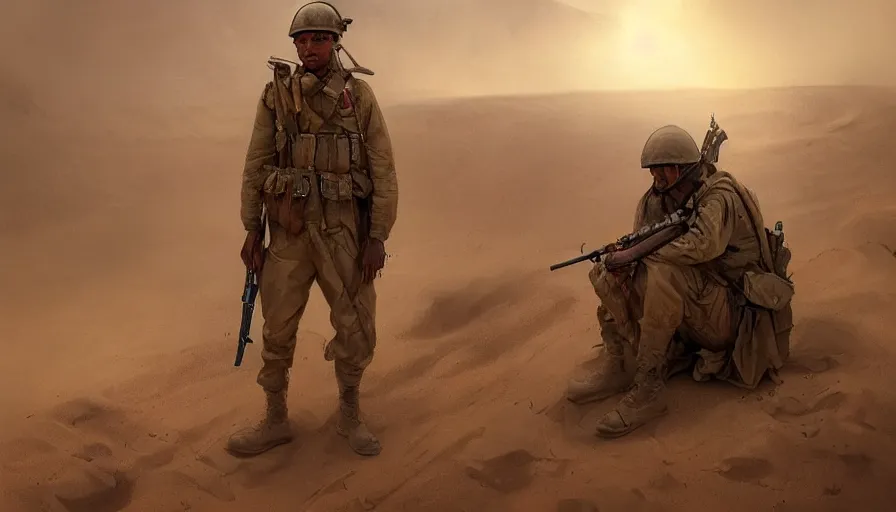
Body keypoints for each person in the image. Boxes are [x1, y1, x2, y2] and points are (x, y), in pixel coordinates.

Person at [228, 1, 399, 457]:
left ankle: (349, 414)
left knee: (354, 323)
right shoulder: (276, 96)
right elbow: (256, 163)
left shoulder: (358, 97)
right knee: (276, 325)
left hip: (345, 230)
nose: (308, 48)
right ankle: (275, 418)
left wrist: (378, 235)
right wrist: (251, 229)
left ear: (335, 41)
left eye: (318, 39)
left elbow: (383, 168)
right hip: (289, 229)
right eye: (301, 41)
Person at [566, 124, 793, 438]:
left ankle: (648, 391)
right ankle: (618, 365)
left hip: (735, 315)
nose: (657, 178)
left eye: (664, 171)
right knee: (612, 272)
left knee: (663, 274)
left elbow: (702, 246)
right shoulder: (657, 199)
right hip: (700, 309)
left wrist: (639, 256)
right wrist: (622, 261)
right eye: (654, 171)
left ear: (682, 169)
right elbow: (641, 244)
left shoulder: (720, 195)